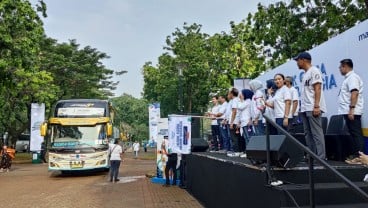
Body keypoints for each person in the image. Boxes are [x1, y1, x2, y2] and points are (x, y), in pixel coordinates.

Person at [294, 51, 327, 159]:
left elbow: (318, 88)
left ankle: (321, 157)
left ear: (303, 60)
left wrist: (317, 106)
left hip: (313, 107)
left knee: (316, 133)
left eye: (297, 60)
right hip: (305, 108)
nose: (297, 63)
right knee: (308, 133)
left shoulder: (314, 71)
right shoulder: (305, 74)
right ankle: (312, 155)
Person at [337, 59, 365, 163]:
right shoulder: (348, 78)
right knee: (353, 134)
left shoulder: (352, 77)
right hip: (348, 111)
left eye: (340, 67)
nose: (339, 69)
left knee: (356, 134)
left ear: (345, 66)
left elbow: (355, 93)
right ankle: (357, 156)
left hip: (352, 111)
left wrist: (351, 109)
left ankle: (360, 157)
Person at [237, 89, 254, 157]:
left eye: (242, 94)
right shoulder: (246, 101)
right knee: (246, 137)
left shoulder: (248, 101)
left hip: (247, 122)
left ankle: (250, 152)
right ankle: (248, 151)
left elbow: (240, 107)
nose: (240, 95)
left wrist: (240, 100)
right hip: (244, 122)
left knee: (248, 137)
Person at [226, 88, 241, 157]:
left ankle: (236, 151)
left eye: (229, 93)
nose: (228, 95)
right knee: (237, 137)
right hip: (236, 121)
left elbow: (234, 112)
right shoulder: (237, 100)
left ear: (232, 94)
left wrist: (231, 122)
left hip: (234, 121)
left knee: (234, 138)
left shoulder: (235, 100)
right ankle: (238, 151)